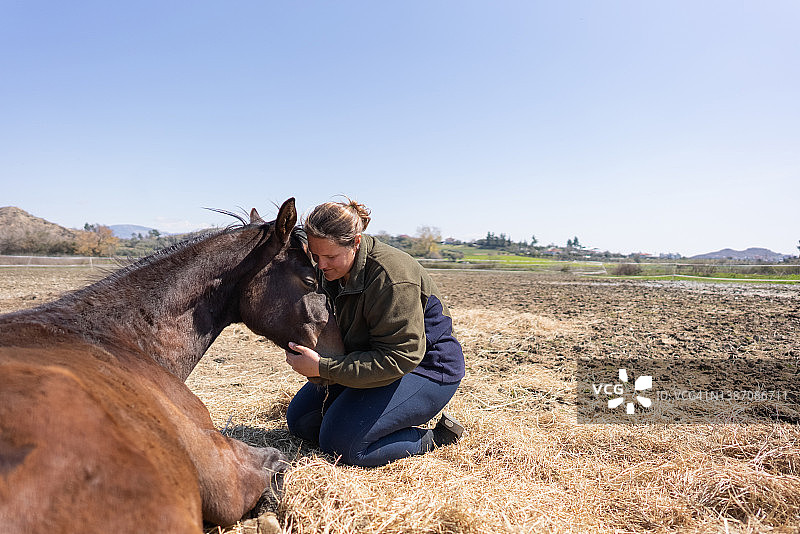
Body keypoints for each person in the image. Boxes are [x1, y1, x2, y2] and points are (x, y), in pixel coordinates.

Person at [284, 198, 466, 467]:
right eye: (315, 255)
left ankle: (435, 438)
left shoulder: (391, 277)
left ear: (356, 242)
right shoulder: (331, 270)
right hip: (370, 357)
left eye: (330, 256)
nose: (320, 265)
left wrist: (323, 368)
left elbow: (400, 358)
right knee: (302, 422)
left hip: (424, 369)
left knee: (342, 445)